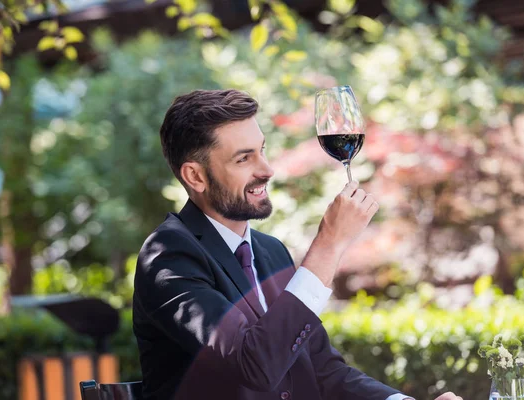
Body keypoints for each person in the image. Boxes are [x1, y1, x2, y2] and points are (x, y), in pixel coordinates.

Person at [133, 89, 462, 400]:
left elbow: (323, 371)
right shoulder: (168, 257)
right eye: (243, 159)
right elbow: (254, 365)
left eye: (262, 150)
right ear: (196, 177)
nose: (267, 170)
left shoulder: (270, 251)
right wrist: (329, 245)